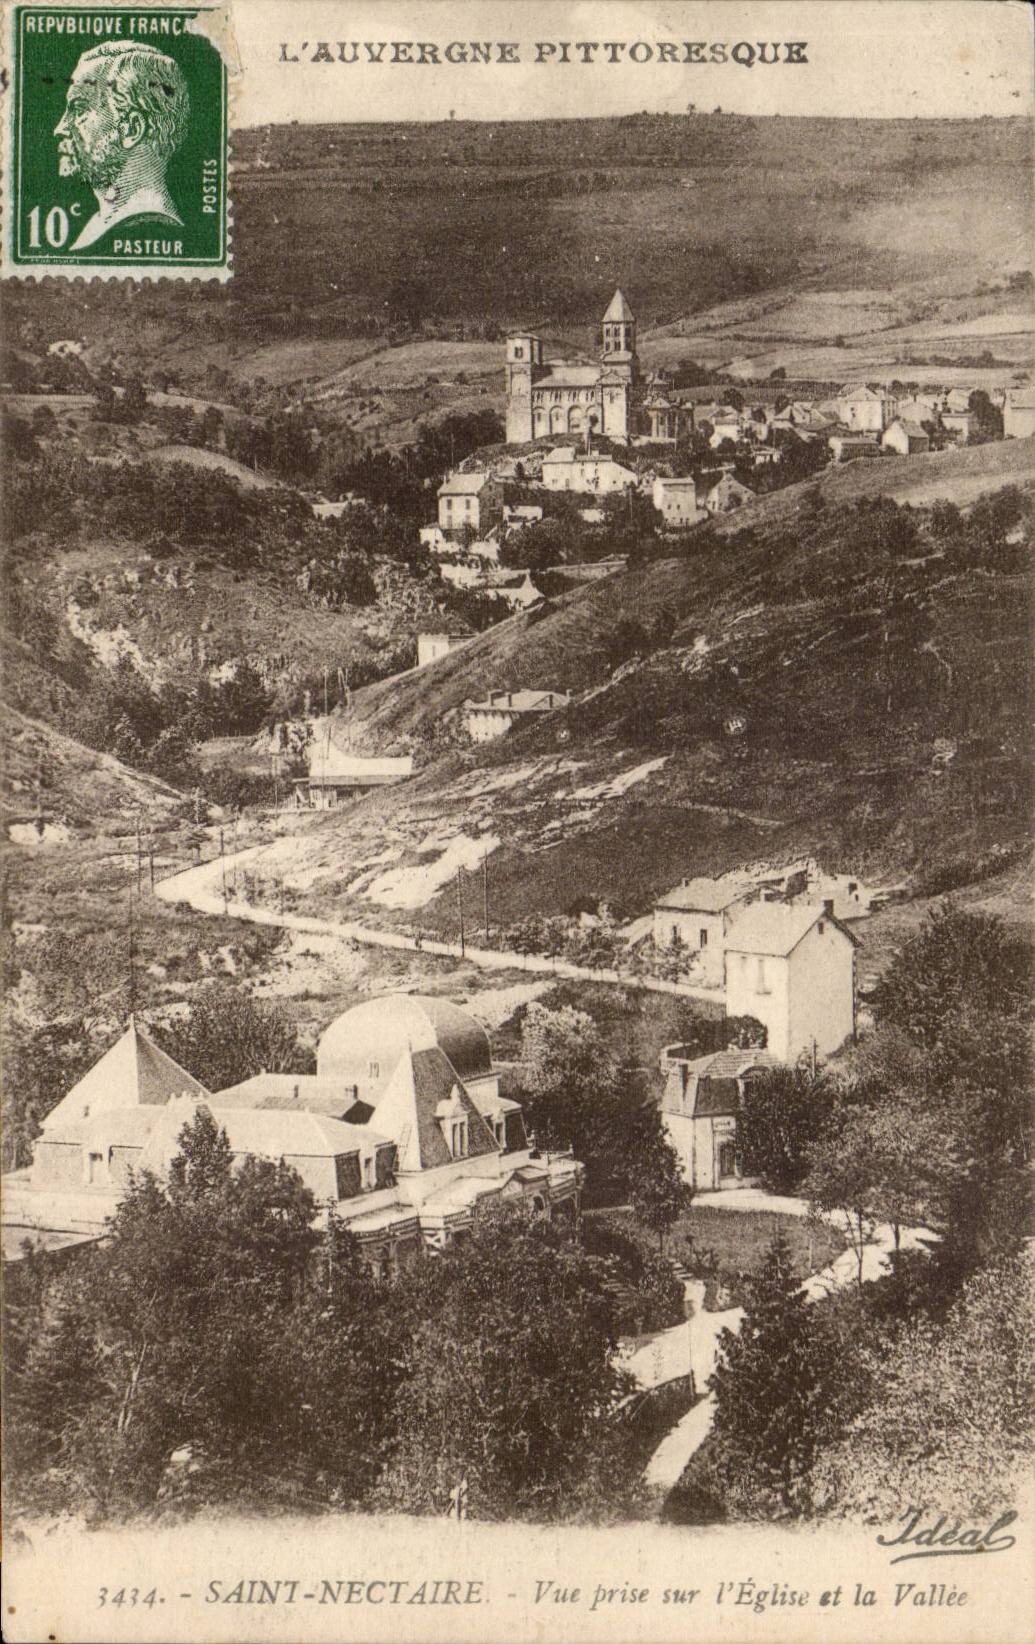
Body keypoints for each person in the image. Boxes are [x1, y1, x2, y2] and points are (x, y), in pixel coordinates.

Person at [54, 41, 190, 252]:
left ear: (131, 129)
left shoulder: (147, 226)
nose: (60, 128)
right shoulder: (101, 223)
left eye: (79, 109)